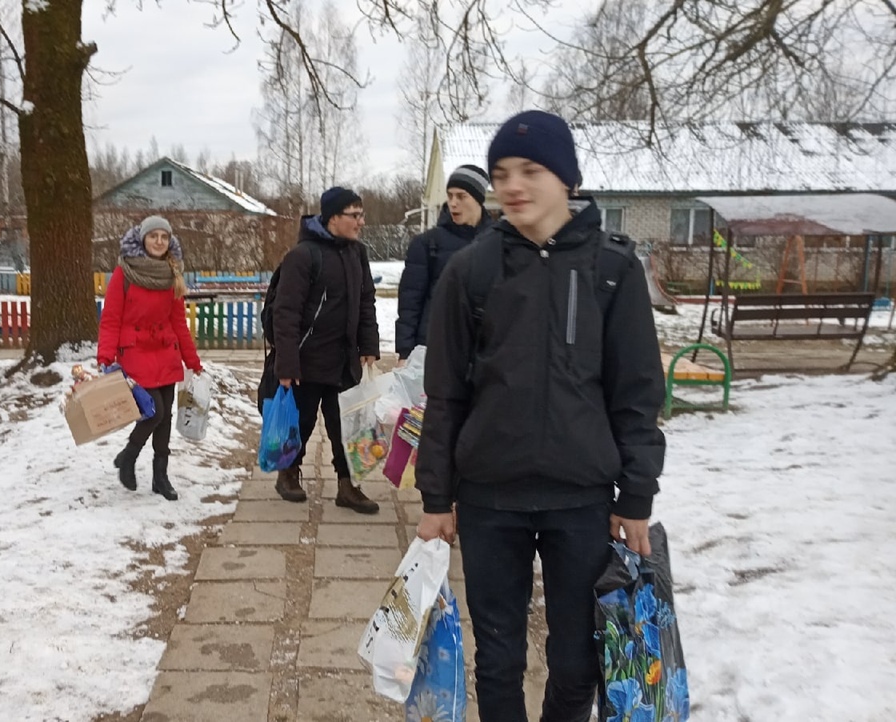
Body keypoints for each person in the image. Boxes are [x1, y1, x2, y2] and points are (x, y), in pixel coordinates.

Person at [414, 110, 666, 722]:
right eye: (501, 173)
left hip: (579, 498)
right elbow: (444, 393)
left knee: (579, 658)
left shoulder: (614, 270)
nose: (512, 185)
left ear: (567, 177)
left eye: (530, 170)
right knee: (498, 657)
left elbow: (636, 392)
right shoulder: (470, 272)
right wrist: (435, 496)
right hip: (488, 498)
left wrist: (635, 494)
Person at [269, 186, 382, 513]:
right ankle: (288, 473)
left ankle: (348, 486)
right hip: (307, 362)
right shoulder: (303, 256)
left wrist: (369, 344)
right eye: (354, 215)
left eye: (362, 215)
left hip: (344, 360)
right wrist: (287, 364)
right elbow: (286, 312)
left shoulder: (357, 253)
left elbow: (366, 301)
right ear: (333, 218)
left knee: (348, 426)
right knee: (300, 423)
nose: (361, 222)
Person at [97, 215, 204, 502]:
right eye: (153, 236)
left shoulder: (172, 274)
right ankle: (128, 456)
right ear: (142, 238)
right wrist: (105, 356)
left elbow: (178, 322)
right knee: (153, 410)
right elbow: (111, 319)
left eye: (164, 237)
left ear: (169, 242)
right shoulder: (125, 272)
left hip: (165, 351)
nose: (159, 241)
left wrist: (192, 360)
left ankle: (160, 477)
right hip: (135, 351)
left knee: (165, 415)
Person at [395, 164, 491, 364]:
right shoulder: (427, 243)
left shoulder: (497, 241)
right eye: (450, 195)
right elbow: (410, 302)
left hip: (484, 352)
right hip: (435, 350)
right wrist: (405, 352)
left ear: (479, 199)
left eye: (461, 196)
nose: (453, 203)